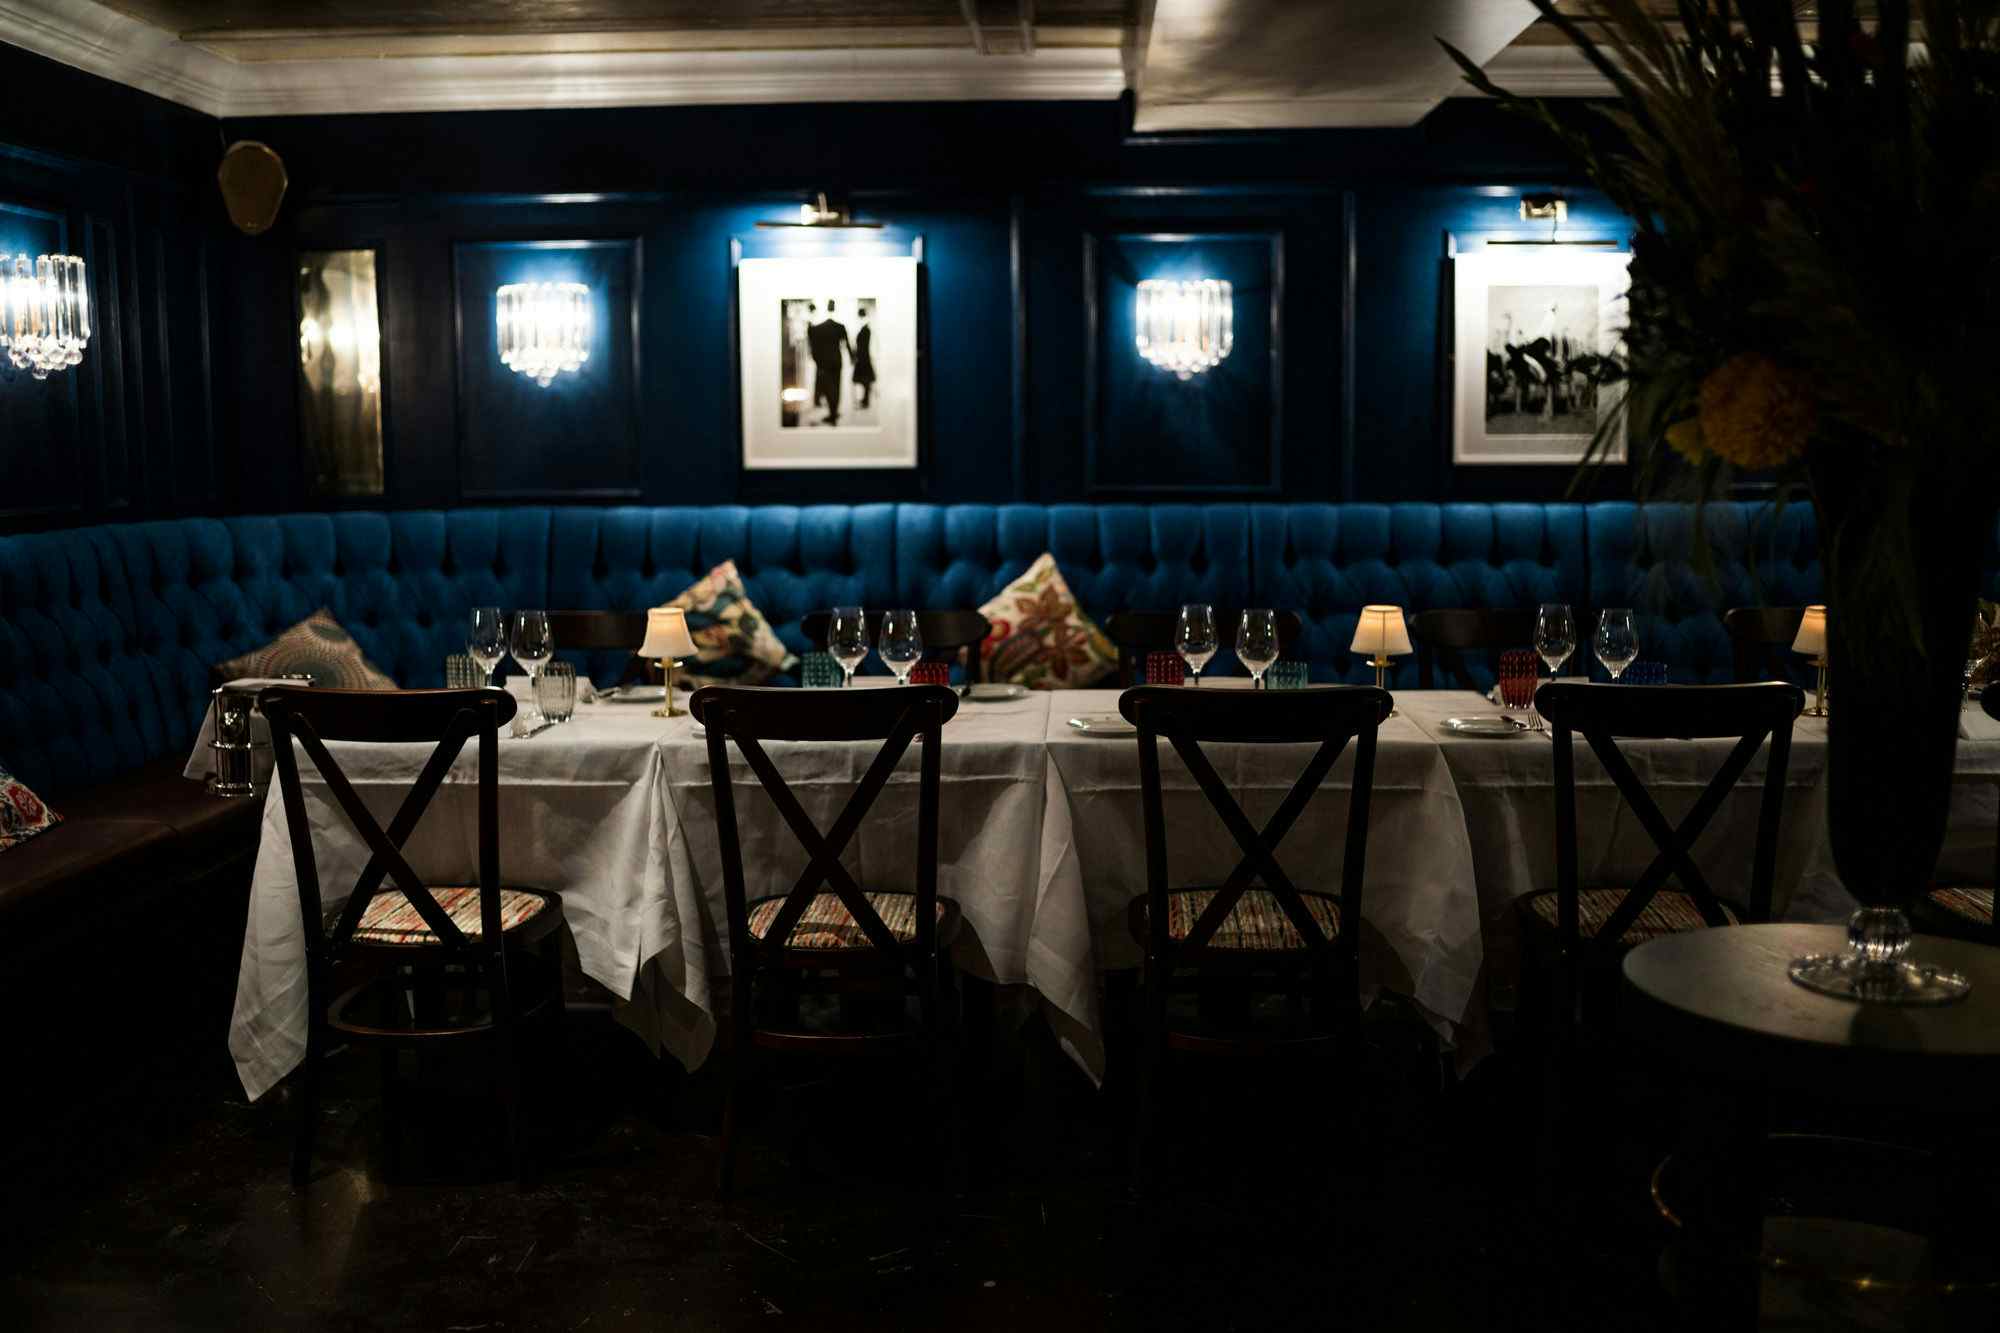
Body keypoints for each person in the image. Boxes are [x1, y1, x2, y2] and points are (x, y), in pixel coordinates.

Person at [806, 299, 852, 427]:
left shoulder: (819, 328)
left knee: (829, 387)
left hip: (825, 363)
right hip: (836, 361)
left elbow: (814, 347)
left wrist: (817, 361)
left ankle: (833, 413)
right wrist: (852, 358)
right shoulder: (840, 326)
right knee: (836, 387)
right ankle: (833, 412)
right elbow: (847, 345)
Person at [851, 304, 876, 410]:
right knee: (865, 380)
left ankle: (866, 400)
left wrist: (857, 356)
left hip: (863, 358)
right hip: (863, 357)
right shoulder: (864, 328)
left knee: (865, 380)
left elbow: (863, 346)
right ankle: (865, 399)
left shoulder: (865, 329)